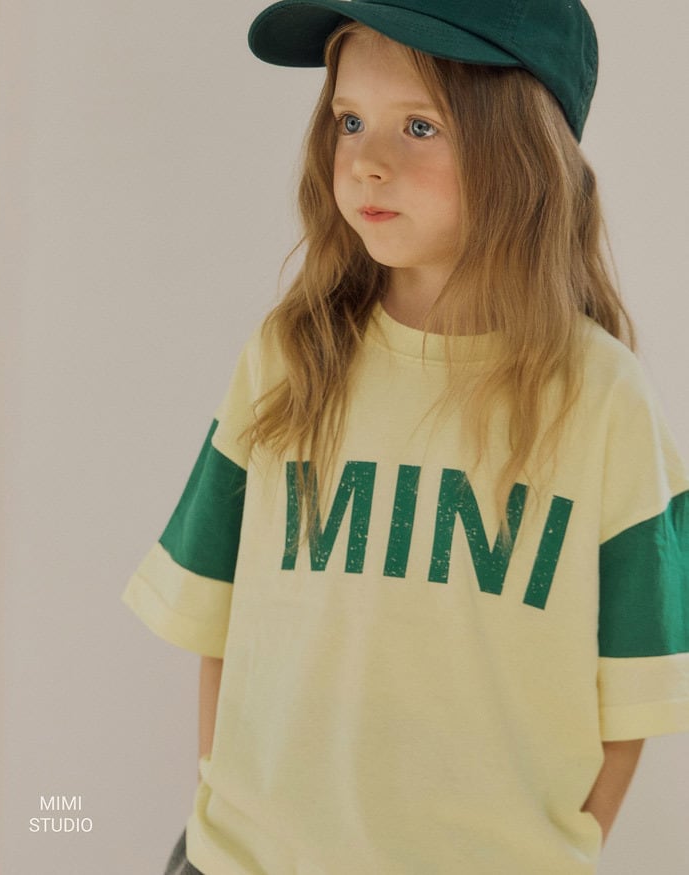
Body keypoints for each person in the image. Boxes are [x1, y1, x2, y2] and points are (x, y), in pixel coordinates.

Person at [121, 1, 689, 873]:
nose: (366, 162)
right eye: (350, 120)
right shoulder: (291, 355)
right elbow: (217, 616)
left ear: (525, 151)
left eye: (420, 126)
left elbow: (637, 686)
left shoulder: (603, 400)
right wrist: (230, 824)